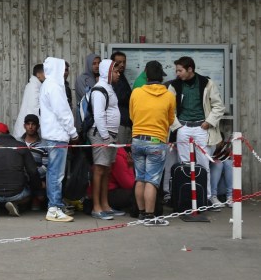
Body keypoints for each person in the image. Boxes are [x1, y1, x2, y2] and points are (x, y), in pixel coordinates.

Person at [168, 56, 225, 201]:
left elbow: (219, 106)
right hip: (183, 127)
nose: (177, 73)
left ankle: (204, 197)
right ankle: (187, 198)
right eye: (177, 70)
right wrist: (177, 127)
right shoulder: (174, 85)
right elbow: (168, 109)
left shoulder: (207, 83)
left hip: (202, 127)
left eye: (180, 70)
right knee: (185, 164)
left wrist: (208, 122)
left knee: (203, 164)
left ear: (190, 69)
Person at [130, 61, 176, 226]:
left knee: (140, 178)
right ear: (161, 76)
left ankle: (141, 213)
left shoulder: (136, 93)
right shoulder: (169, 95)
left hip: (137, 139)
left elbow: (132, 115)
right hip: (157, 141)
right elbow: (171, 120)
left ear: (146, 75)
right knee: (152, 180)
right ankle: (150, 216)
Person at [39, 57, 79, 222]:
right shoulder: (54, 87)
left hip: (52, 135)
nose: (64, 72)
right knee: (56, 174)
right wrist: (73, 132)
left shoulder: (48, 85)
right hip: (57, 135)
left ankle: (56, 206)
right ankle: (54, 208)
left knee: (53, 172)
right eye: (63, 68)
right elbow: (63, 113)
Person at [0, 123, 41, 218]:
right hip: (17, 193)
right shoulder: (21, 146)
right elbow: (32, 171)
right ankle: (13, 203)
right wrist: (38, 188)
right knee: (29, 192)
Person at [88, 59, 124, 220]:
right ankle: (96, 207)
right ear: (108, 72)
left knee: (106, 170)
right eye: (115, 72)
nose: (118, 74)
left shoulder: (108, 88)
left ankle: (105, 205)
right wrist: (105, 137)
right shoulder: (99, 90)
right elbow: (99, 115)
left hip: (110, 135)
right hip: (102, 134)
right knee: (99, 170)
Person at [19, 114, 47, 211]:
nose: (30, 127)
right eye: (28, 124)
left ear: (38, 127)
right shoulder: (18, 142)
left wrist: (32, 176)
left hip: (36, 178)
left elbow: (45, 167)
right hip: (19, 177)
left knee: (40, 199)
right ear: (24, 126)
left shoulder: (44, 144)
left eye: (33, 124)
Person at [13, 64, 44, 139]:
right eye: (45, 73)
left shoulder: (34, 85)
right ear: (38, 74)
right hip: (28, 132)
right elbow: (34, 109)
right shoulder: (34, 87)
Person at [111, 51, 133, 146]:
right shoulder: (112, 80)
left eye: (124, 62)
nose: (122, 65)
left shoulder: (123, 78)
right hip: (119, 122)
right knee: (120, 152)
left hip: (126, 121)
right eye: (119, 62)